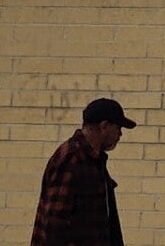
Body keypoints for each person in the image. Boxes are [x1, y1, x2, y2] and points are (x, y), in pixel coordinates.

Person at [31, 97, 134, 246]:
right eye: (118, 128)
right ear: (104, 126)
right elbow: (54, 224)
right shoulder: (72, 158)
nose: (120, 134)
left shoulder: (94, 160)